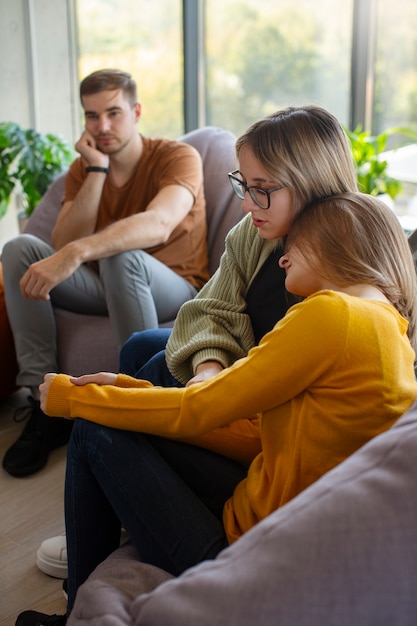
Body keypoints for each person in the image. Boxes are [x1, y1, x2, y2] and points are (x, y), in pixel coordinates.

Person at [16, 191, 417, 626]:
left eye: (295, 243)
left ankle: (75, 611)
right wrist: (126, 388)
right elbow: (254, 434)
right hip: (282, 535)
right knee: (131, 379)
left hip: (249, 553)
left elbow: (203, 409)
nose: (282, 258)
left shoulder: (333, 315)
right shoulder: (389, 330)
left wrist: (73, 399)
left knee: (92, 430)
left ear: (333, 239)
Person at [35, 103, 360, 581]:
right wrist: (208, 368)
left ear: (311, 182)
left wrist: (101, 399)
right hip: (240, 389)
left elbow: (246, 414)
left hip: (260, 431)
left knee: (99, 419)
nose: (247, 204)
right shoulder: (256, 233)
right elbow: (209, 308)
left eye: (262, 190)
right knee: (142, 348)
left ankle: (114, 502)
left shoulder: (331, 298)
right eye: (243, 185)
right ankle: (119, 501)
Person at [1, 68, 208, 477]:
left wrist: (80, 250)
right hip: (104, 286)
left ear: (137, 111)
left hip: (173, 285)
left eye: (113, 113)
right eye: (92, 116)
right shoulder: (84, 168)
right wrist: (95, 169)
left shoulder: (176, 156)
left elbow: (161, 222)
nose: (103, 126)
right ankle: (44, 401)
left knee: (120, 254)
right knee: (20, 248)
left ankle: (136, 400)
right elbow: (61, 243)